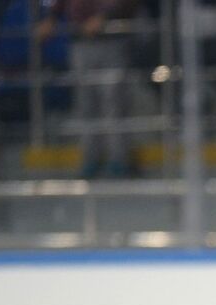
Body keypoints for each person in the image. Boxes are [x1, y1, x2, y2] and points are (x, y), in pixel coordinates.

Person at [37, 0, 140, 177]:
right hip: (80, 40)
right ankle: (91, 159)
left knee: (114, 102)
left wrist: (104, 17)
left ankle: (120, 160)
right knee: (86, 103)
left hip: (112, 37)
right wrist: (51, 18)